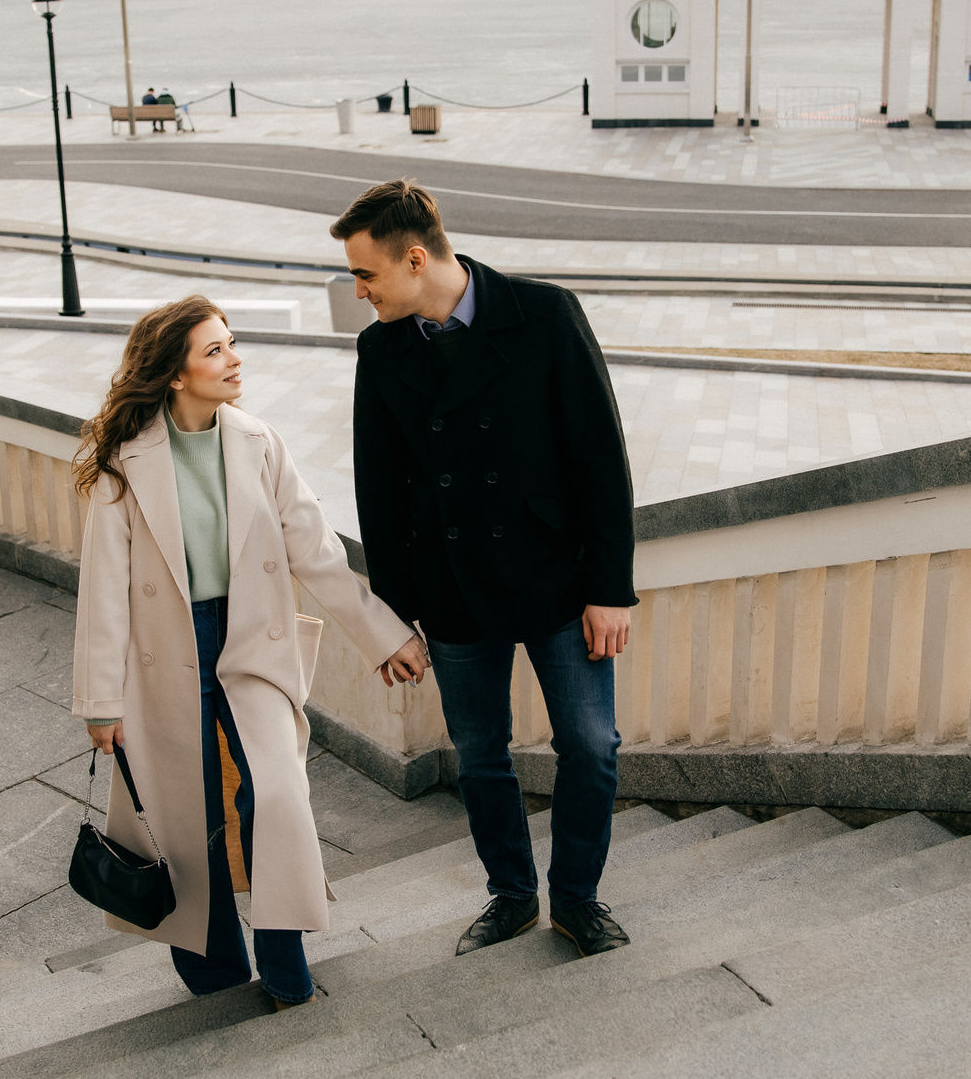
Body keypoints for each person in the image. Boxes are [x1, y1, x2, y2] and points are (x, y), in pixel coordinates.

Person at [72, 296, 429, 1005]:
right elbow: (105, 592)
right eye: (215, 350)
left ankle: (286, 967)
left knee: (277, 794)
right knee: (186, 814)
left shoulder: (258, 443)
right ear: (175, 373)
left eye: (230, 344)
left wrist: (382, 635)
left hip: (251, 640)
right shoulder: (125, 464)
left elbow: (318, 553)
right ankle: (215, 973)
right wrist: (101, 704)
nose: (234, 359)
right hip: (162, 655)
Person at [334, 180, 639, 959]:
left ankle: (575, 897)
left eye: (366, 274)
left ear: (413, 258)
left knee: (592, 745)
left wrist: (610, 588)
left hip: (559, 580)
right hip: (453, 590)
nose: (358, 291)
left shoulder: (544, 315)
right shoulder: (383, 347)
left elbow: (601, 459)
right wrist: (394, 614)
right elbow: (380, 485)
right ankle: (511, 895)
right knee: (480, 755)